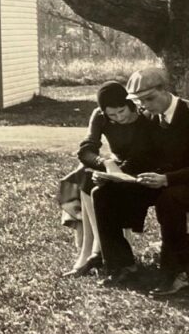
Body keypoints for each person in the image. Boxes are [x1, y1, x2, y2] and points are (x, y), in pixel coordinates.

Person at [92, 67, 189, 295]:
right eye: (139, 101)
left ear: (165, 90)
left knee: (169, 201)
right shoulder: (149, 117)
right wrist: (115, 176)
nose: (145, 105)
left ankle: (174, 274)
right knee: (103, 194)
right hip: (157, 180)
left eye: (149, 99)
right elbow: (142, 157)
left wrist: (167, 179)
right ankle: (121, 266)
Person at [58, 81, 154, 277]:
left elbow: (142, 157)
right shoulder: (100, 116)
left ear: (131, 104)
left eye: (122, 111)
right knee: (85, 174)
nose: (119, 117)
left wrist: (115, 171)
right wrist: (106, 164)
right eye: (112, 115)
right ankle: (94, 251)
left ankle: (94, 253)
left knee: (90, 180)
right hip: (116, 167)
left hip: (140, 171)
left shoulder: (145, 118)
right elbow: (85, 151)